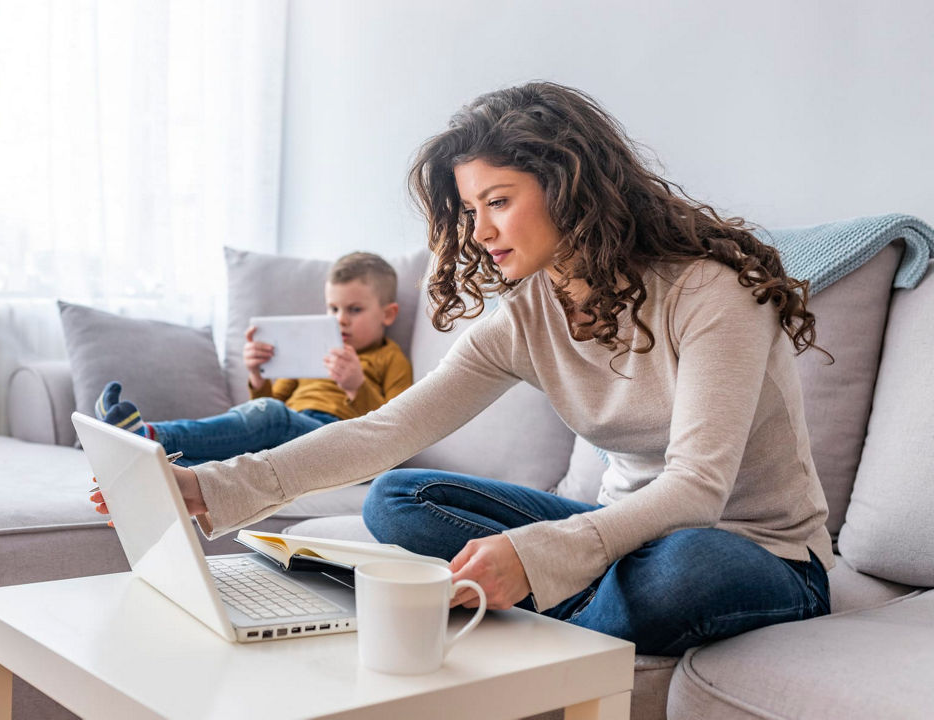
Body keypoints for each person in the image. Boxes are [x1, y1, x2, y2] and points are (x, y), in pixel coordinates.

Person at [91, 82, 833, 656]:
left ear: (570, 186)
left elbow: (697, 490)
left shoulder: (711, 294)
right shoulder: (528, 316)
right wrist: (210, 486)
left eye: (498, 202)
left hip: (754, 551)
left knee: (684, 570)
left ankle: (540, 629)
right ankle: (571, 603)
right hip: (615, 537)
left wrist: (545, 553)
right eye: (470, 209)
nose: (478, 233)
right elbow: (386, 430)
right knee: (397, 498)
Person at [94, 251, 413, 465]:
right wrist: (258, 376)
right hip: (290, 434)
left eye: (354, 310)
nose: (340, 319)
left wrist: (357, 387)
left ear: (388, 314)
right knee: (231, 459)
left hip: (341, 443)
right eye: (333, 308)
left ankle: (147, 436)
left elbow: (395, 432)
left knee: (270, 415)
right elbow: (272, 403)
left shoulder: (389, 358)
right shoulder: (317, 345)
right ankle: (143, 462)